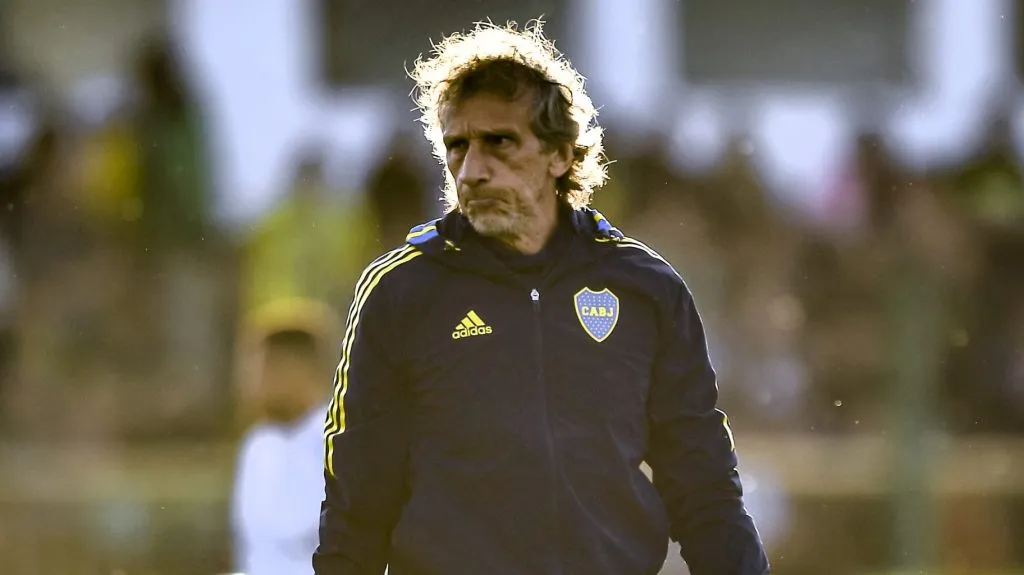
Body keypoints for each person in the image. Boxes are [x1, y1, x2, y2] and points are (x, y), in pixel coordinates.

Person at [315, 20, 770, 575]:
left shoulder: (646, 288)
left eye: (499, 143)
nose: (473, 169)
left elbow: (703, 485)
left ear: (559, 154)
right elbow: (357, 499)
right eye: (457, 147)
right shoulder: (402, 292)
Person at [233, 307, 336, 575]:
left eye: (267, 366)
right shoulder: (256, 446)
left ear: (301, 369)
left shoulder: (342, 442)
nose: (253, 380)